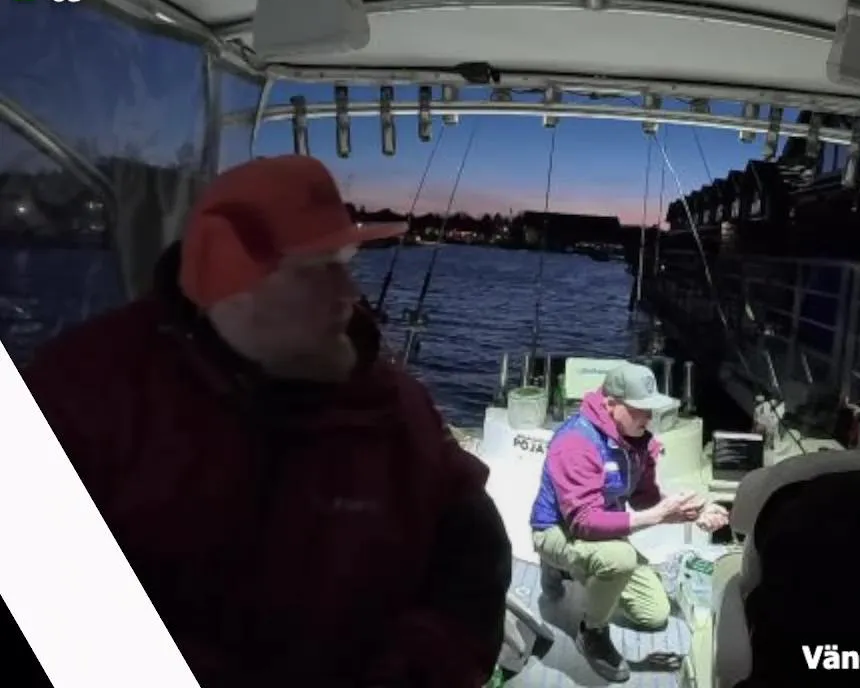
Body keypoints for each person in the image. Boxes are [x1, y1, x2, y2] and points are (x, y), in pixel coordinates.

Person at [21, 155, 512, 688]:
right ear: (229, 274)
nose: (350, 292)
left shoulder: (394, 404)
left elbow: (470, 553)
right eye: (319, 267)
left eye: (346, 263)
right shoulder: (88, 390)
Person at [529, 362, 730, 682]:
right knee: (620, 559)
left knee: (655, 615)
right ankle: (591, 631)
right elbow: (583, 523)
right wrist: (657, 516)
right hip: (558, 529)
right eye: (640, 410)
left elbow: (645, 499)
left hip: (603, 531)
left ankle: (573, 569)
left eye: (651, 410)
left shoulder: (638, 442)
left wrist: (695, 510)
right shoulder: (576, 442)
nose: (648, 418)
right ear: (611, 404)